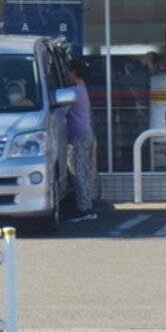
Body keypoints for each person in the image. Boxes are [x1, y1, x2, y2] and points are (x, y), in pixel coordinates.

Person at [65, 59, 97, 222]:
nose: (66, 73)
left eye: (68, 71)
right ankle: (87, 206)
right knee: (82, 171)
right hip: (86, 133)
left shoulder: (72, 92)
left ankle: (85, 209)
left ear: (74, 72)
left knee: (77, 172)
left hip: (78, 135)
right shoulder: (81, 88)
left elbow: (59, 111)